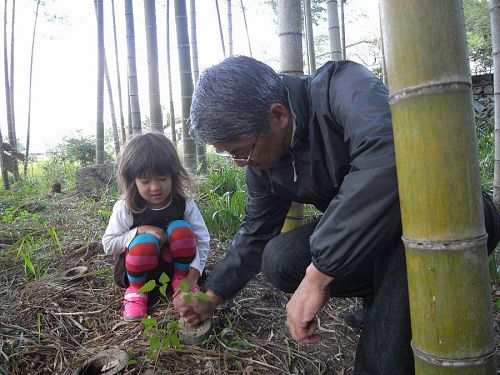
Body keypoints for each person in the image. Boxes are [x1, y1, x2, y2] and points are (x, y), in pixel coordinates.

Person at [174, 55, 500, 374]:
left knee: (387, 348)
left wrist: (318, 276)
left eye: (240, 151)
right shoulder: (264, 162)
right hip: (377, 233)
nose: (240, 162)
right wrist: (212, 294)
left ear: (278, 115)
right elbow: (256, 233)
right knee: (280, 259)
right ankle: (380, 296)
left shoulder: (341, 87)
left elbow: (387, 159)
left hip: (449, 216)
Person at [102, 132, 210, 321]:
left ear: (174, 175)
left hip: (176, 269)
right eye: (145, 181)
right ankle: (136, 293)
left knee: (180, 229)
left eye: (162, 178)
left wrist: (193, 274)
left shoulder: (184, 203)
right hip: (142, 273)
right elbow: (109, 244)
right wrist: (139, 231)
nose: (155, 187)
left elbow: (202, 239)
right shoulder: (126, 207)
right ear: (132, 180)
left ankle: (181, 283)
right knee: (145, 242)